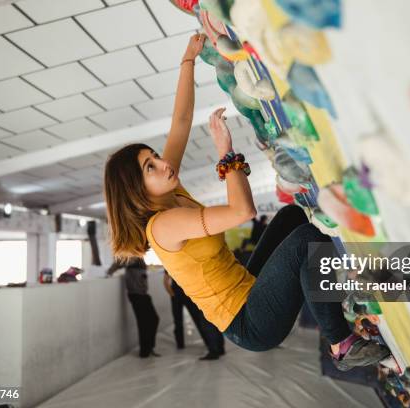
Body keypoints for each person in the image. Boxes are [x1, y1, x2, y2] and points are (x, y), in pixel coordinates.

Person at [103, 33, 390, 371]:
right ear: (137, 189)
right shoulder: (163, 225)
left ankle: (327, 285)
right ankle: (341, 343)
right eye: (151, 167)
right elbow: (243, 211)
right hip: (249, 324)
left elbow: (180, 122)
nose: (164, 164)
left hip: (246, 284)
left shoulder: (167, 188)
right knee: (306, 242)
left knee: (292, 216)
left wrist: (188, 60)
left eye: (155, 156)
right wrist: (226, 154)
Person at [163, 271, 226, 360]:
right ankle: (181, 344)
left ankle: (213, 347)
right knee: (179, 320)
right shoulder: (173, 263)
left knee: (201, 321)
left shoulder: (183, 263)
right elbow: (166, 281)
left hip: (190, 294)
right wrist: (173, 295)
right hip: (180, 294)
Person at [108, 258, 160, 358]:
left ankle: (149, 347)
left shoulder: (139, 257)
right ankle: (144, 352)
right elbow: (118, 263)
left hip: (143, 294)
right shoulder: (129, 255)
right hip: (136, 295)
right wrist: (109, 272)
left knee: (154, 319)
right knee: (143, 324)